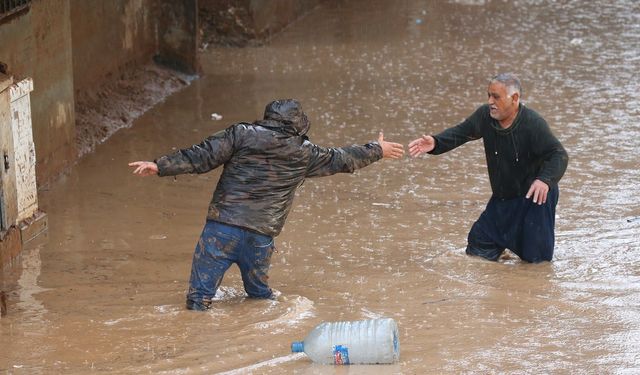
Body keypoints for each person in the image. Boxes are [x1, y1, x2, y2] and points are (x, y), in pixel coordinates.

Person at [129, 99, 405, 310]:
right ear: (299, 124)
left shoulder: (241, 134)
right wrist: (377, 149)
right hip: (260, 236)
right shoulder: (305, 153)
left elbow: (202, 156)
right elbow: (343, 159)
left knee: (198, 300)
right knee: (260, 300)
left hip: (220, 229)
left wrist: (159, 165)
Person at [408, 73, 568, 263]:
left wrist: (545, 180)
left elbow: (558, 154)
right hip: (503, 198)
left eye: (496, 97)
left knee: (536, 264)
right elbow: (461, 132)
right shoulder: (485, 116)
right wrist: (435, 142)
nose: (490, 101)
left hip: (534, 199)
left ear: (515, 98)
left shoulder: (533, 124)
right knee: (478, 246)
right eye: (489, 96)